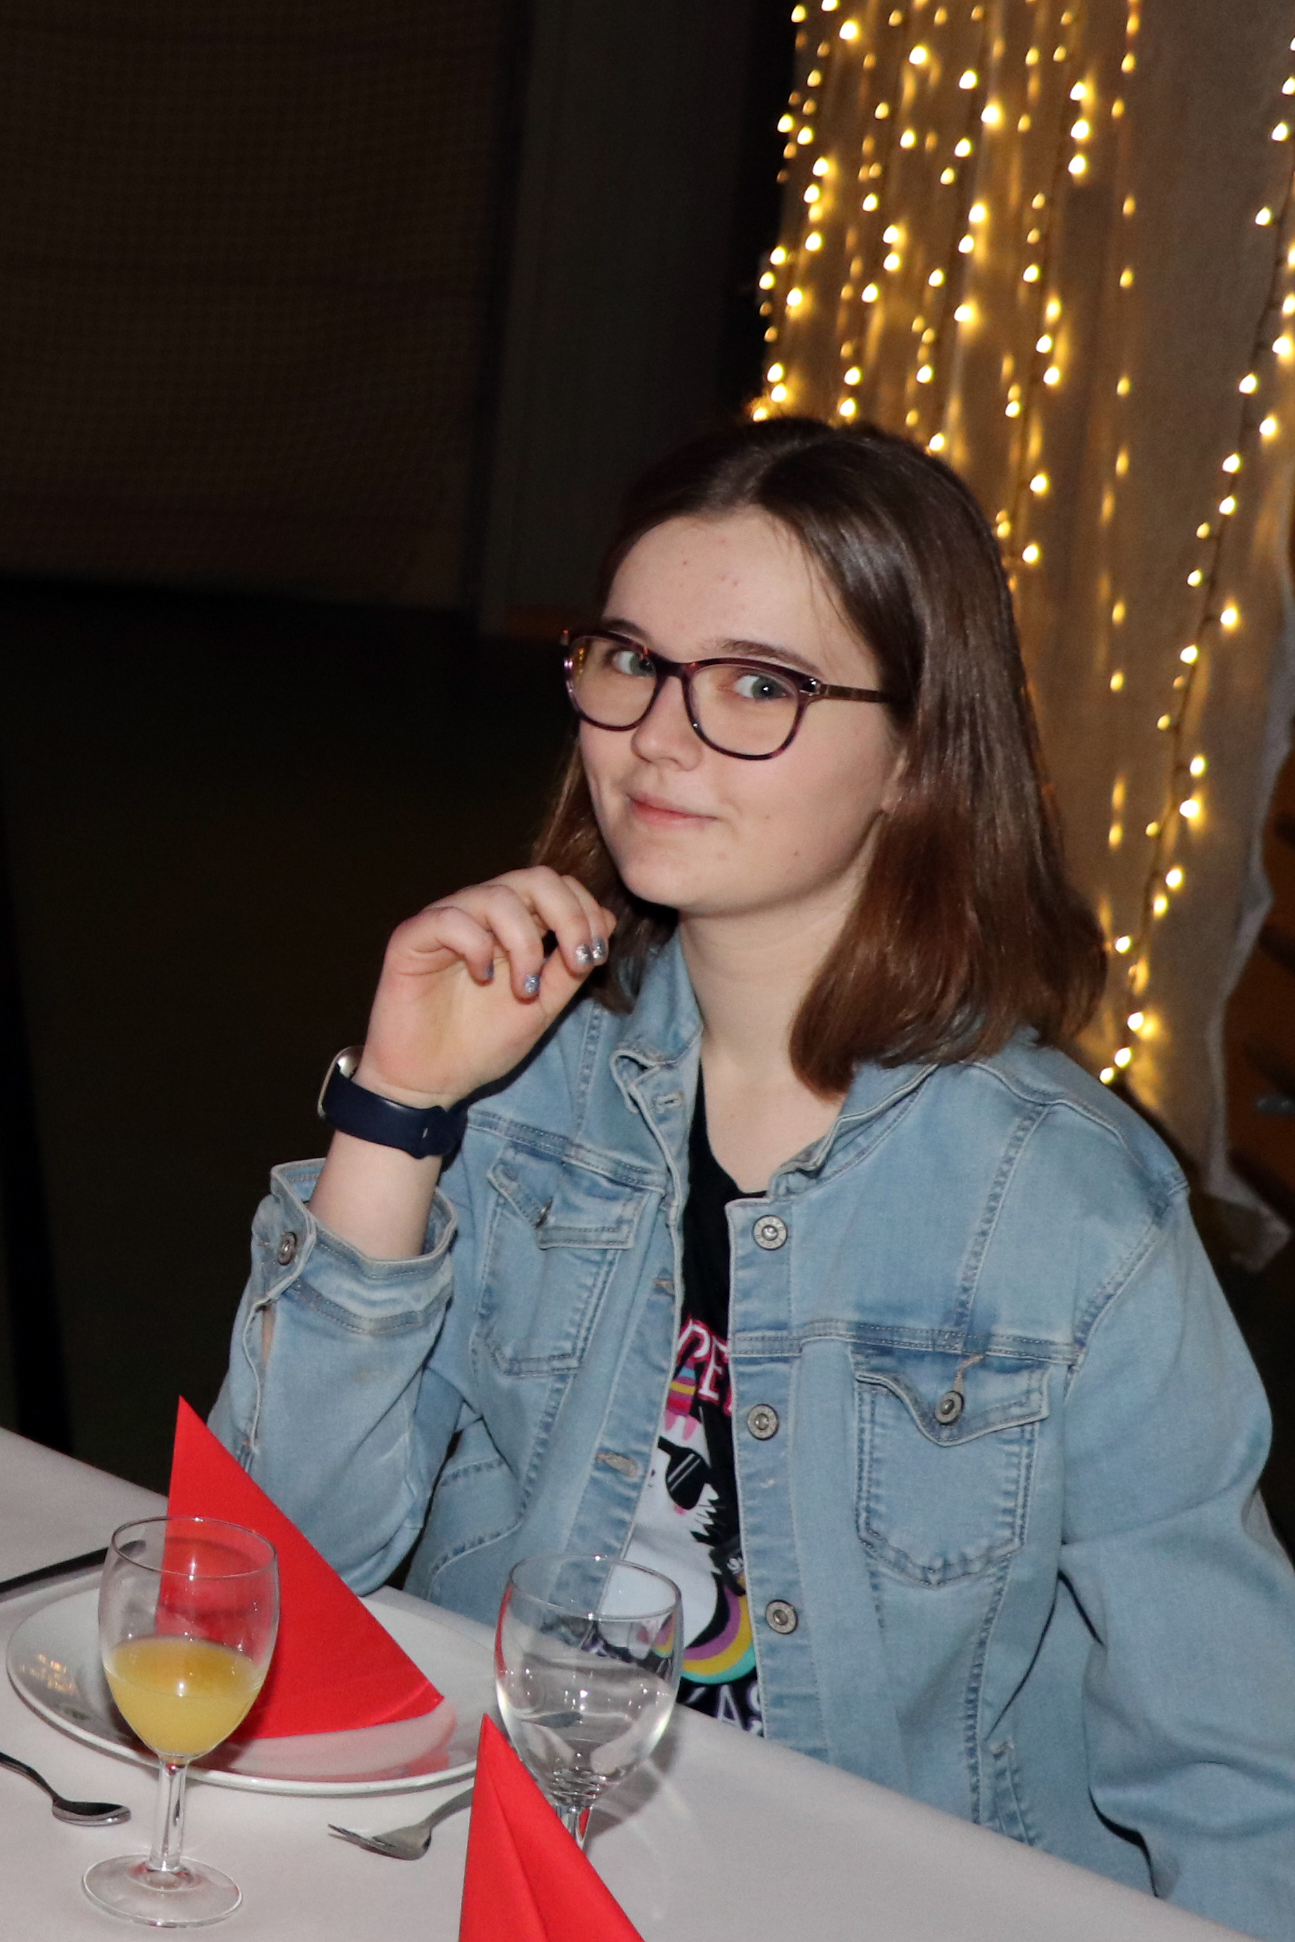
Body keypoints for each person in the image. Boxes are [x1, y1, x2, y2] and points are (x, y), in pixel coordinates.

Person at [213, 417, 1295, 1937]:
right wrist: (397, 1109)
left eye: (757, 686)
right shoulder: (518, 1089)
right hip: (496, 1865)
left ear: (916, 753)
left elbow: (1240, 1773)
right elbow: (263, 1588)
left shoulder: (1065, 1208)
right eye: (631, 661)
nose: (658, 736)